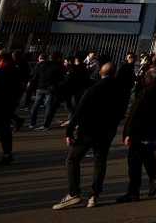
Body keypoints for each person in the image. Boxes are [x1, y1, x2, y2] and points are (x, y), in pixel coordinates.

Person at [54, 61, 129, 210]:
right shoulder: (122, 90)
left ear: (101, 73)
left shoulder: (94, 88)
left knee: (72, 159)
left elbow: (79, 111)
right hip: (107, 131)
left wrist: (69, 130)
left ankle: (74, 193)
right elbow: (122, 112)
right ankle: (94, 195)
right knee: (100, 161)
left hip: (88, 130)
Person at [117, 62, 156, 203]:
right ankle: (154, 179)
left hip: (142, 130)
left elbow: (135, 113)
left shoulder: (148, 91)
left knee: (134, 160)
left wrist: (128, 133)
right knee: (146, 154)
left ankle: (135, 190)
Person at [28, 51, 65, 131]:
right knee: (48, 107)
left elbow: (35, 76)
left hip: (40, 87)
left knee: (35, 106)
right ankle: (45, 125)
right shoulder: (58, 66)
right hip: (50, 88)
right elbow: (61, 79)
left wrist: (32, 86)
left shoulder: (41, 64)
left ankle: (32, 123)